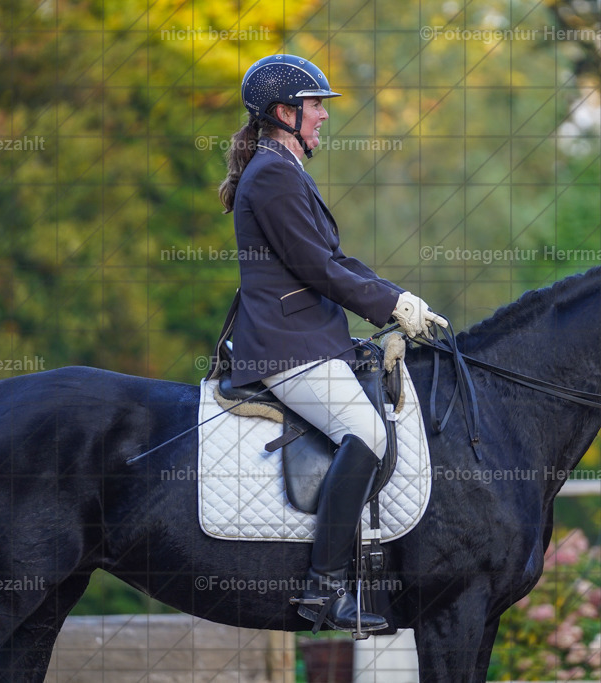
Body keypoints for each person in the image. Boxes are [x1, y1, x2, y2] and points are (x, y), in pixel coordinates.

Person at [218, 54, 446, 633]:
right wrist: (388, 306)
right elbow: (316, 267)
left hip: (310, 338)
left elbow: (338, 261)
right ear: (283, 112)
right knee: (365, 433)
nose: (322, 115)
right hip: (285, 346)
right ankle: (323, 590)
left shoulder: (285, 168)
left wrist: (400, 300)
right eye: (315, 105)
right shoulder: (271, 174)